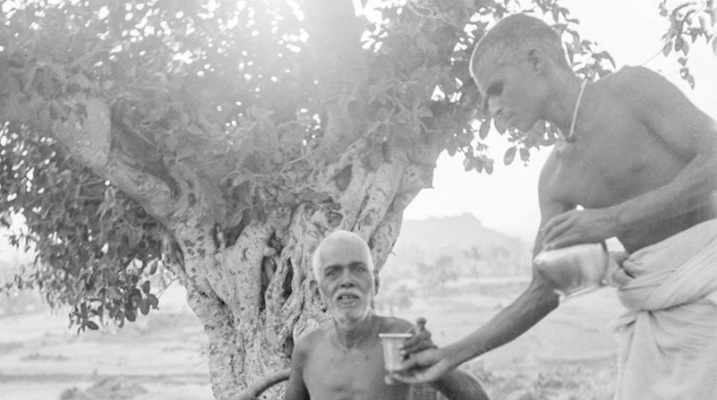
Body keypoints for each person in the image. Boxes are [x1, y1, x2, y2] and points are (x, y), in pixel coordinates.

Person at [394, 13, 717, 400]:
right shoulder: (555, 178)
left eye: (497, 88)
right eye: (487, 99)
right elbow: (545, 291)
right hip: (658, 324)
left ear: (536, 62)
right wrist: (449, 355)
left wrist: (612, 220)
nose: (493, 109)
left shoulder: (632, 89)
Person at [281, 230, 489, 400]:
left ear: (376, 283)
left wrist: (433, 361)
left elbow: (477, 397)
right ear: (318, 292)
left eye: (358, 269)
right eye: (333, 273)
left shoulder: (400, 338)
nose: (347, 281)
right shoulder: (308, 348)